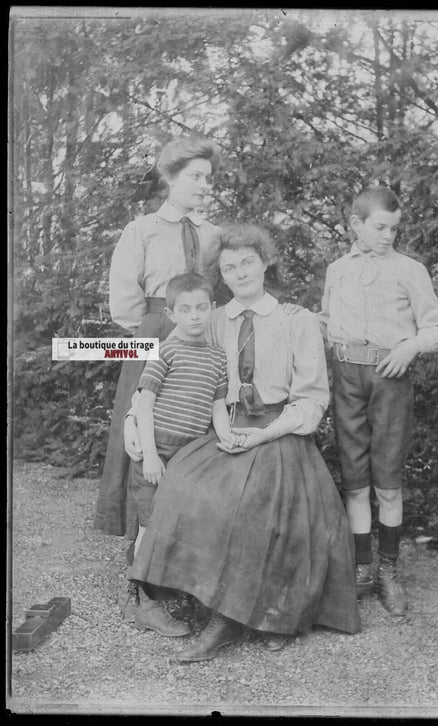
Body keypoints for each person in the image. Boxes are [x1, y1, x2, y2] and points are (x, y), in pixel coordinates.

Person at [126, 224, 361, 661]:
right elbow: (163, 367)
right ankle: (168, 596)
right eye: (229, 267)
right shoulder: (208, 318)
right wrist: (130, 418)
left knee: (258, 501)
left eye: (247, 262)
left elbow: (312, 401)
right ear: (222, 274)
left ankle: (234, 622)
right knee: (184, 484)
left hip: (280, 432)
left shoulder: (298, 320)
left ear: (264, 262)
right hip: (225, 429)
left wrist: (265, 433)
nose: (239, 272)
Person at [94, 135, 222, 617]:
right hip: (152, 334)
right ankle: (140, 572)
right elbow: (124, 302)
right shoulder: (142, 229)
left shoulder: (213, 234)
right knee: (141, 436)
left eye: (208, 178)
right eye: (194, 176)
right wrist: (152, 333)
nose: (202, 186)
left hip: (201, 339)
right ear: (169, 177)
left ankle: (184, 566)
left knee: (190, 439)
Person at [320, 185, 438, 617]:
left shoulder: (409, 270)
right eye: (380, 227)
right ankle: (362, 567)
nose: (388, 236)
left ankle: (389, 571)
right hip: (346, 377)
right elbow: (325, 322)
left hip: (389, 378)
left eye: (394, 228)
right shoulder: (337, 270)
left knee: (388, 479)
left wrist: (409, 347)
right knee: (355, 477)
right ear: (355, 224)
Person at [129, 271, 243, 636]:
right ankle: (143, 601)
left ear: (212, 309)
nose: (194, 316)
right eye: (185, 309)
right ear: (172, 314)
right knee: (149, 523)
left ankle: (179, 590)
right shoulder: (165, 351)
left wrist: (227, 437)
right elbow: (144, 405)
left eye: (201, 308)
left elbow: (217, 407)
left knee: (182, 519)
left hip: (191, 452)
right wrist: (149, 455)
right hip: (156, 446)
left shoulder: (217, 358)